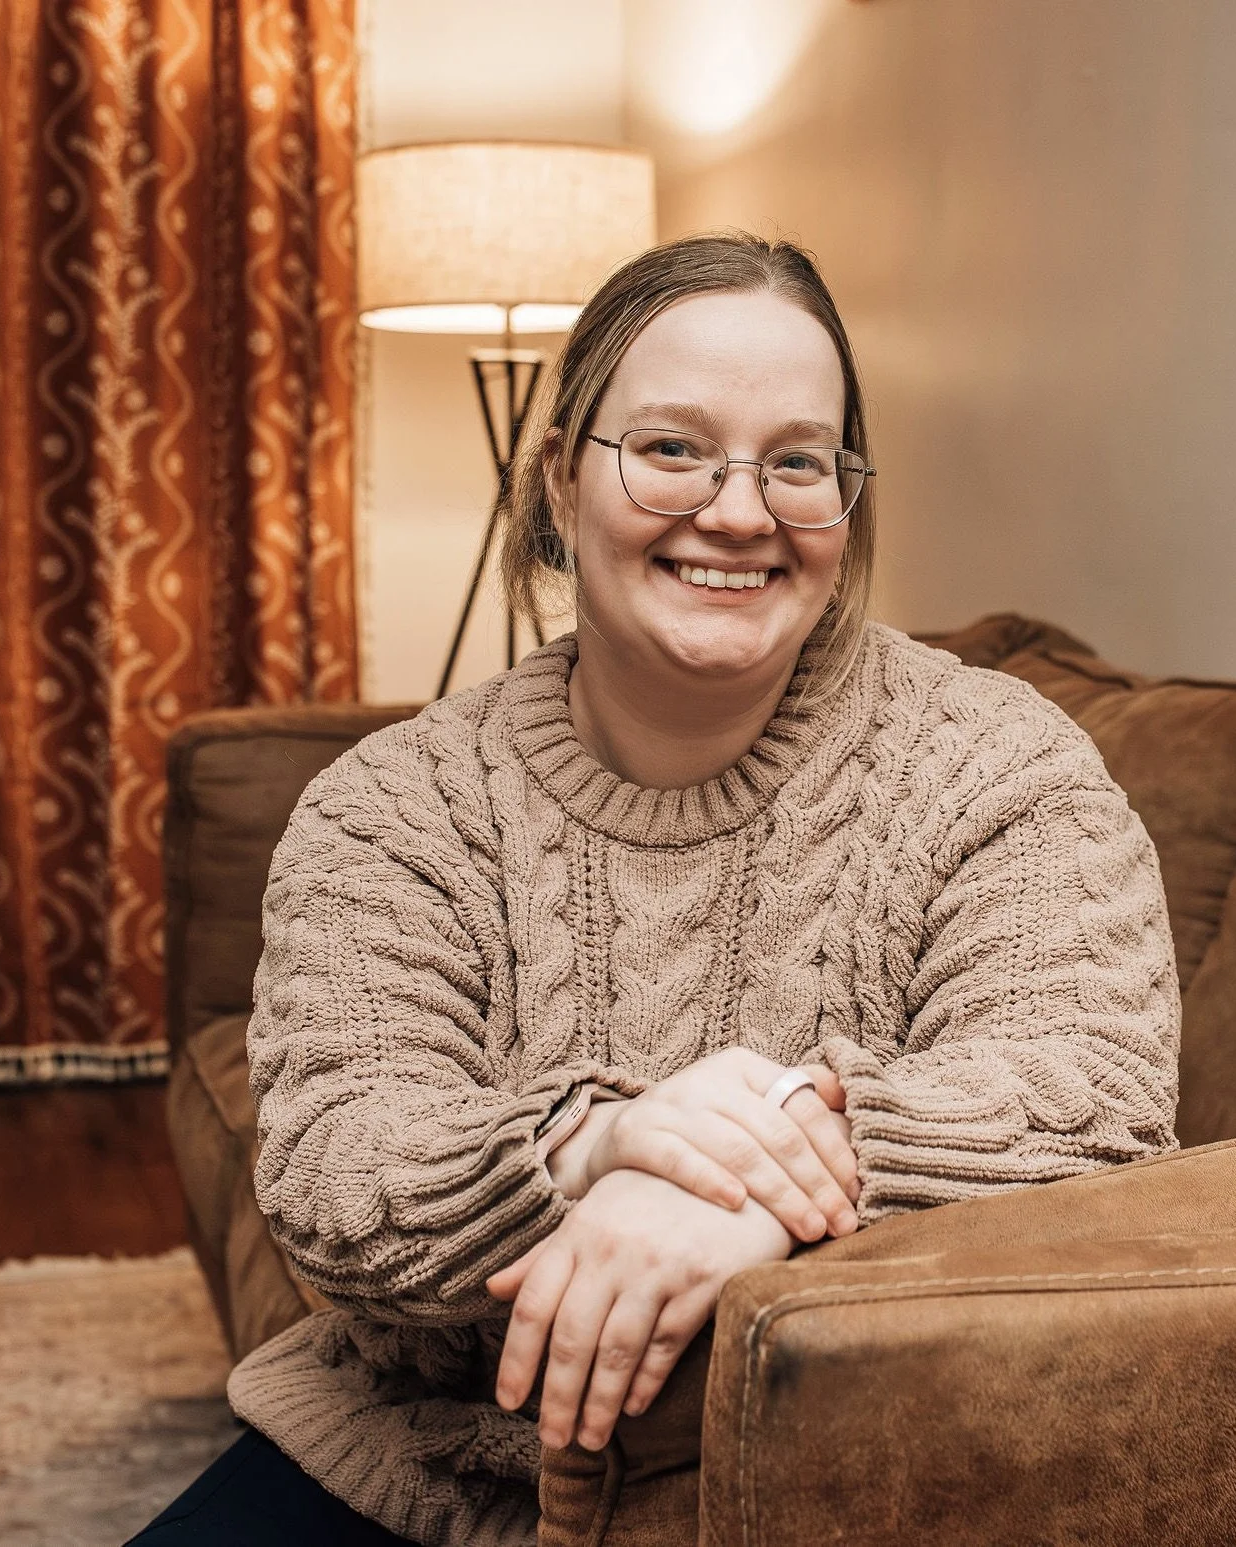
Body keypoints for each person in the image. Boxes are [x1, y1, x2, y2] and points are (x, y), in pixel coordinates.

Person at [127, 232, 1181, 1545]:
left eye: (796, 459)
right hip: (428, 1461)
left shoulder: (999, 761)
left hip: (849, 1475)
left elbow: (1094, 1104)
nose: (738, 511)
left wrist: (741, 1179)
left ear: (845, 501)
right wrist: (597, 1143)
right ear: (563, 481)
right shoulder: (392, 804)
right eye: (672, 447)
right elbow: (340, 1178)